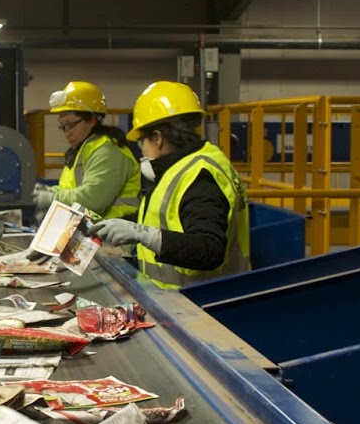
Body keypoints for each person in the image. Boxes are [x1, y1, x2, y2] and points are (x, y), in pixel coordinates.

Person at [91, 81, 250, 288]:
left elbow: (209, 249)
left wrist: (140, 233)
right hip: (176, 301)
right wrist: (114, 226)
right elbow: (160, 218)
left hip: (205, 305)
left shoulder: (200, 176)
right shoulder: (178, 168)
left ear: (157, 138)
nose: (141, 149)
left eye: (141, 141)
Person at [33, 81, 141, 219]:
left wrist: (52, 198)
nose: (67, 132)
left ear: (92, 119)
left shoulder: (108, 152)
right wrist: (49, 191)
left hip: (115, 235)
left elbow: (93, 199)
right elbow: (71, 189)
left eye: (71, 124)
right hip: (94, 233)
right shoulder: (83, 150)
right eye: (63, 126)